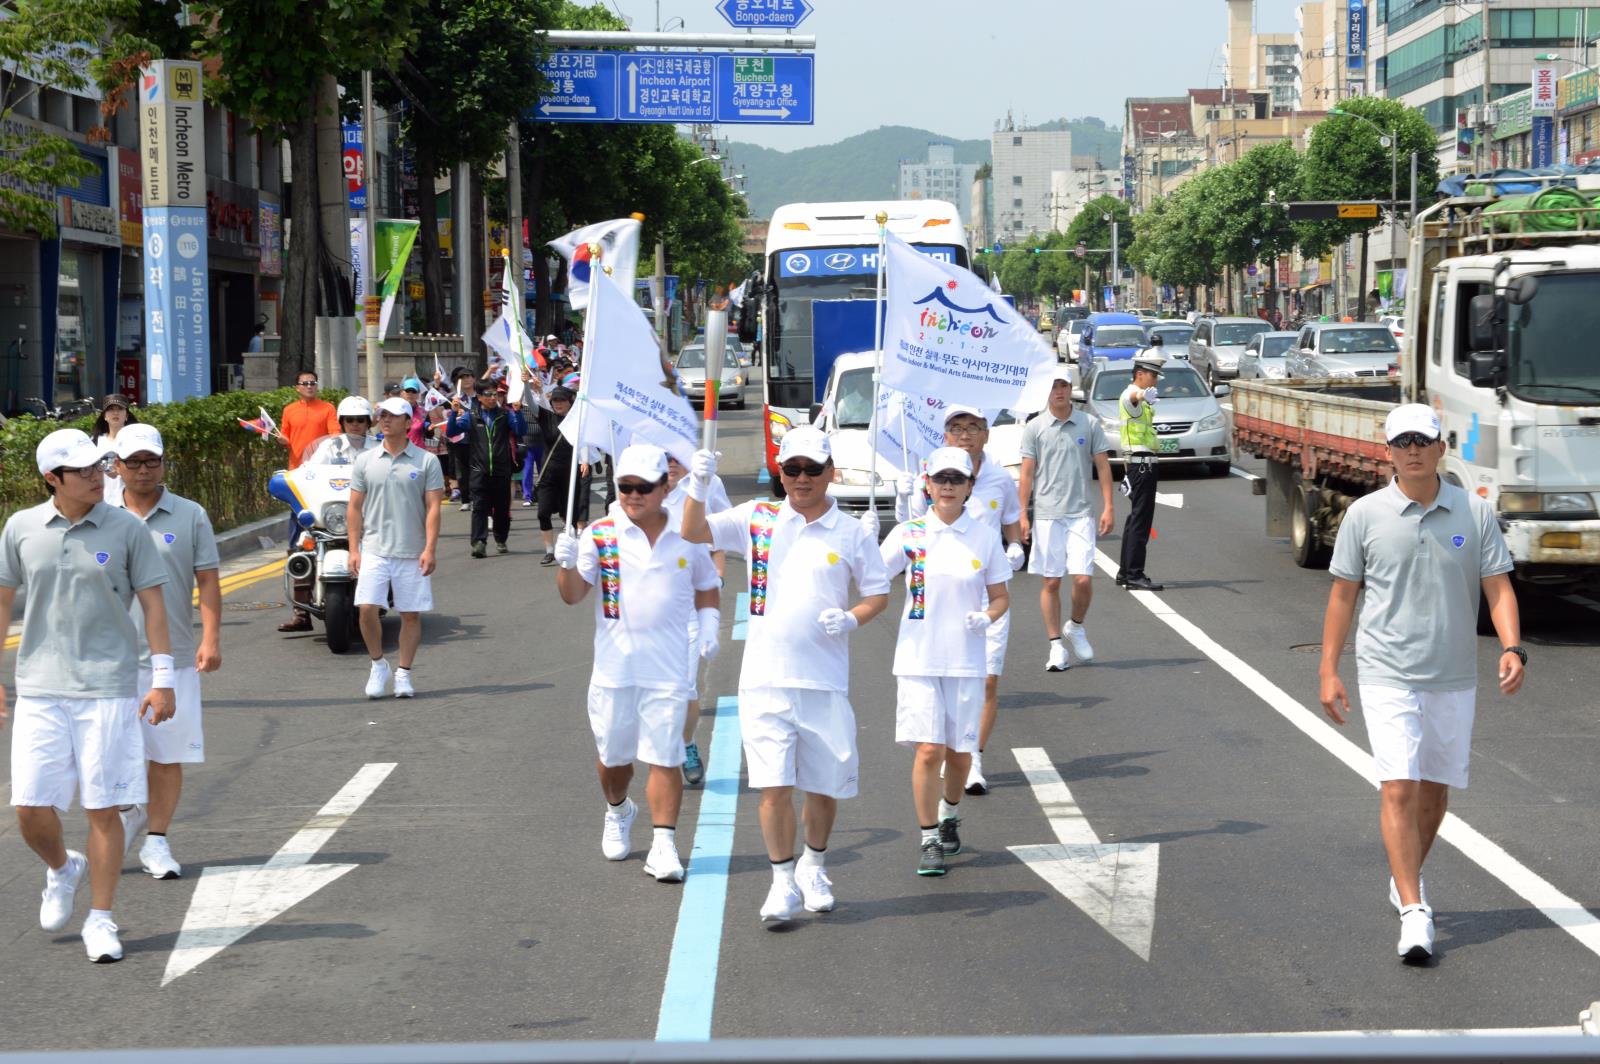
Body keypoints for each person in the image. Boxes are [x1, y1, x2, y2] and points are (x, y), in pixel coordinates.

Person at [1318, 404, 1524, 964]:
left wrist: (1512, 646)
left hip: (1453, 674)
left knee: (1435, 792)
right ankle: (1414, 908)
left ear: (1440, 448)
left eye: (1422, 441)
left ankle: (1404, 874)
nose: (1413, 450)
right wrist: (1329, 669)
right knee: (1399, 787)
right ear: (1388, 452)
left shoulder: (1473, 512)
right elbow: (1343, 595)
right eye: (1402, 442)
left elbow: (1498, 587)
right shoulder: (1364, 515)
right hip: (1386, 670)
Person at [681, 427, 889, 926]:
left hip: (823, 681)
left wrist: (852, 618)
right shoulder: (758, 517)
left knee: (823, 788)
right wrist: (697, 485)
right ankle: (781, 882)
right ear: (781, 472)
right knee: (773, 787)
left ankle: (814, 867)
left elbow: (878, 593)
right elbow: (693, 532)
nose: (801, 478)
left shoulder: (852, 531)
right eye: (792, 469)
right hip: (764, 678)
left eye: (812, 469)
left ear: (830, 473)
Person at [0, 428, 175, 963]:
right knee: (29, 808)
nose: (98, 477)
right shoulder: (22, 527)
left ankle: (101, 917)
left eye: (99, 467)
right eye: (83, 471)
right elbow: (3, 601)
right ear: (51, 478)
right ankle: (62, 867)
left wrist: (163, 678)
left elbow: (154, 604)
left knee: (103, 808)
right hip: (39, 689)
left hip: (108, 688)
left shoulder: (126, 528)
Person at [554, 444, 720, 882]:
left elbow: (707, 584)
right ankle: (618, 809)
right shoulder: (601, 534)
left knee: (665, 757)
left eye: (643, 487)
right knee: (614, 761)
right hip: (615, 671)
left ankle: (664, 844)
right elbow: (573, 595)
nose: (633, 495)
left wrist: (709, 622)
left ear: (665, 487)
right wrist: (566, 566)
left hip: (668, 669)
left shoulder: (688, 534)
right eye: (625, 486)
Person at [881, 447, 1011, 877]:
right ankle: (929, 838)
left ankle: (949, 813)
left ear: (970, 486)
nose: (949, 486)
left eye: (957, 479)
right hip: (917, 658)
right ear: (928, 484)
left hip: (965, 659)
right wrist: (870, 534)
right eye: (941, 479)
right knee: (928, 750)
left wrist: (987, 616)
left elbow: (1001, 596)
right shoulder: (910, 533)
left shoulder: (984, 536)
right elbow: (871, 576)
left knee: (958, 754)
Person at [896, 404, 1027, 797]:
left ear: (986, 433)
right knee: (941, 685)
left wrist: (1015, 546)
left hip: (986, 593)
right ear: (945, 435)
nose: (965, 434)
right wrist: (903, 497)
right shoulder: (931, 475)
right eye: (957, 427)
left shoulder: (999, 478)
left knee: (988, 680)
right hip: (939, 593)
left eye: (973, 427)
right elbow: (912, 527)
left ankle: (973, 757)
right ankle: (949, 752)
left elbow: (1011, 519)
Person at [112, 424, 221, 881]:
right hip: (109, 661)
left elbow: (207, 580)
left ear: (163, 463)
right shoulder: (99, 515)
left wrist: (210, 638)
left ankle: (156, 839)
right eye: (134, 462)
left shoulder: (189, 514)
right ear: (116, 466)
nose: (143, 470)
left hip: (172, 656)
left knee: (166, 753)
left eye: (151, 461)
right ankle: (128, 812)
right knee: (108, 755)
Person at [349, 397, 446, 699]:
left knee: (410, 615)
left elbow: (433, 508)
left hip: (412, 551)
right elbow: (354, 507)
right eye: (382, 415)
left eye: (393, 415)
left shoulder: (426, 461)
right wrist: (354, 549)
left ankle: (403, 672)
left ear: (409, 422)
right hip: (374, 547)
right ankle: (378, 664)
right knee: (367, 609)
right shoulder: (365, 460)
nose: (386, 420)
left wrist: (430, 548)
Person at [1019, 370, 1116, 670]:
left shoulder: (1088, 423)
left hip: (1080, 513)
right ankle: (1056, 646)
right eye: (1053, 386)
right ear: (1046, 391)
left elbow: (1103, 466)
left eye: (1063, 385)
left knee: (1083, 579)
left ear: (1070, 388)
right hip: (1047, 514)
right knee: (1051, 581)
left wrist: (1109, 506)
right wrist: (1022, 513)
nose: (1059, 391)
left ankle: (1075, 625)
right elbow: (1026, 474)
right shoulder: (1035, 427)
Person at [664, 452, 730, 787]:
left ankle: (686, 744)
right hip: (646, 616)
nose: (671, 462)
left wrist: (717, 577)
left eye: (677, 455)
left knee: (684, 688)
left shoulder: (704, 486)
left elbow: (719, 537)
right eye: (664, 456)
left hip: (689, 607)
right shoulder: (634, 498)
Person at [277, 371, 340, 633]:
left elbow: (336, 437)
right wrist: (282, 440)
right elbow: (285, 436)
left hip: (323, 478)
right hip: (300, 482)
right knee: (299, 545)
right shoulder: (289, 410)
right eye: (305, 383)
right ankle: (301, 613)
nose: (310, 386)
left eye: (313, 383)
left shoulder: (327, 408)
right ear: (297, 387)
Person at [446, 379, 525, 558]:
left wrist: (518, 412)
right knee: (479, 508)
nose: (492, 398)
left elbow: (521, 430)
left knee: (501, 509)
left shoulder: (505, 415)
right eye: (488, 394)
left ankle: (501, 538)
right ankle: (479, 543)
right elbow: (451, 432)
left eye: (495, 394)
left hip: (501, 470)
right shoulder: (471, 416)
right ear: (479, 397)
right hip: (478, 471)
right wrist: (453, 413)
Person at [1116, 352, 1166, 592]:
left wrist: (1144, 397)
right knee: (1141, 521)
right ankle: (1135, 573)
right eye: (1152, 376)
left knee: (1135, 518)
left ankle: (1125, 571)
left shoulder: (1142, 399)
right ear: (1139, 374)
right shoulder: (1131, 395)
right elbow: (1131, 398)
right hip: (1141, 465)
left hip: (1140, 464)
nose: (1155, 381)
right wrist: (1141, 395)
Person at [531, 385, 590, 565]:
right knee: (543, 513)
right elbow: (530, 402)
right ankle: (549, 551)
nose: (558, 404)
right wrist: (526, 385)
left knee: (570, 515)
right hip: (548, 474)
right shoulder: (546, 417)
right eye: (555, 400)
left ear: (570, 402)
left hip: (569, 475)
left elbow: (583, 440)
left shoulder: (577, 419)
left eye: (562, 400)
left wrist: (585, 460)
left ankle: (572, 550)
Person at [92, 394, 138, 508]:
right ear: (104, 416)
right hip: (101, 504)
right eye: (111, 409)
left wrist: (120, 470)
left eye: (120, 409)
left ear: (126, 415)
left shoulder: (136, 441)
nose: (115, 413)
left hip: (130, 504)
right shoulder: (94, 442)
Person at [304, 396, 377, 466]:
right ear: (342, 423)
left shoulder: (378, 447)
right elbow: (310, 469)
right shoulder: (329, 446)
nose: (355, 424)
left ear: (368, 422)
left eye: (360, 420)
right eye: (349, 420)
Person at [401, 377, 428, 447]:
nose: (410, 394)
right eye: (408, 391)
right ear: (402, 393)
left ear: (418, 394)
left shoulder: (423, 412)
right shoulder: (395, 411)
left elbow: (429, 434)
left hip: (419, 451)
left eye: (414, 391)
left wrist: (428, 428)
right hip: (400, 450)